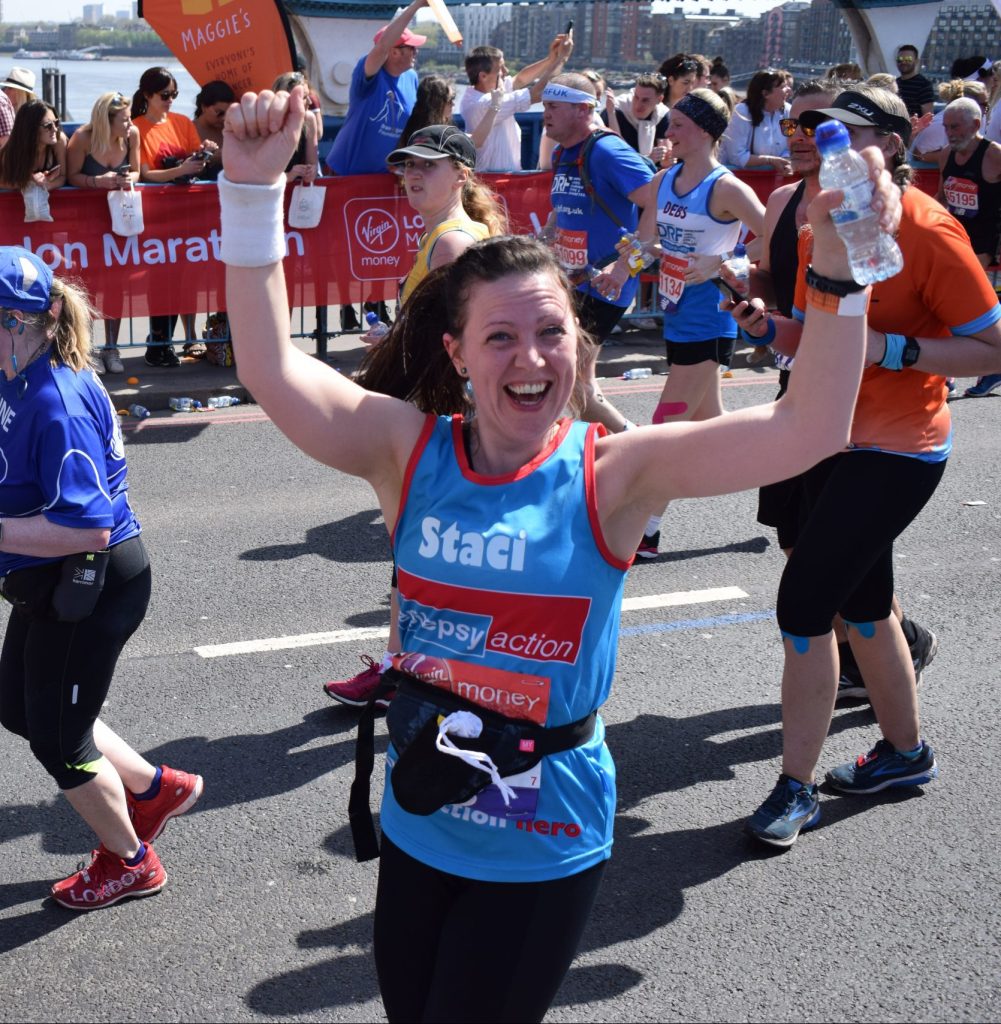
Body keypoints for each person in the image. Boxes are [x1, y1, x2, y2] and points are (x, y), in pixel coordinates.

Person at [217, 81, 896, 1024]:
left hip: (544, 836)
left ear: (578, 349)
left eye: (549, 333)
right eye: (500, 337)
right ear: (456, 353)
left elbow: (811, 425)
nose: (529, 359)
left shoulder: (613, 475)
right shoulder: (405, 452)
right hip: (418, 817)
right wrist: (247, 192)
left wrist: (839, 270)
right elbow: (271, 367)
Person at [741, 85, 1001, 849]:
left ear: (891, 144)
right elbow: (809, 339)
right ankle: (905, 753)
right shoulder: (823, 220)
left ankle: (794, 788)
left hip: (897, 447)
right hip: (823, 435)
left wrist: (889, 350)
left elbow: (991, 346)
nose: (824, 148)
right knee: (864, 607)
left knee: (802, 605)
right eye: (816, 132)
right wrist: (760, 323)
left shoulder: (927, 227)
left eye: (844, 135)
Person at [0, 246, 203, 911]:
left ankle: (130, 862)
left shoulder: (56, 400)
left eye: (10, 318)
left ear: (47, 314)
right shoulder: (18, 371)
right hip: (47, 581)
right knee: (17, 708)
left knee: (60, 742)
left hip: (92, 583)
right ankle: (153, 788)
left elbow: (86, 528)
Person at [324, 125, 507, 707]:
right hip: (447, 415)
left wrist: (389, 368)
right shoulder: (457, 236)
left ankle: (413, 670)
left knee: (420, 547)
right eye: (407, 166)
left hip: (437, 417)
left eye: (427, 165)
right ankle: (409, 666)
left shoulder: (453, 244)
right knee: (426, 549)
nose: (412, 176)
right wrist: (394, 335)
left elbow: (453, 349)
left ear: (462, 174)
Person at [631, 88, 765, 558]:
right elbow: (647, 242)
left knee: (665, 425)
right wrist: (622, 262)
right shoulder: (665, 178)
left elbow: (779, 239)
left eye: (679, 126)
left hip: (712, 318)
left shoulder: (727, 188)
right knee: (715, 426)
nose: (669, 132)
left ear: (705, 132)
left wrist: (728, 262)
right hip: (675, 313)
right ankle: (791, 468)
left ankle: (644, 529)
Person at [542, 72, 653, 434]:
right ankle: (618, 444)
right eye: (544, 105)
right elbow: (565, 205)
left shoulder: (608, 151)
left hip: (604, 284)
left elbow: (658, 205)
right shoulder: (563, 152)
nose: (545, 113)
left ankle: (628, 442)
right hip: (573, 281)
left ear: (583, 109)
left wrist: (623, 268)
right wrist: (545, 236)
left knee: (567, 376)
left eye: (554, 106)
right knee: (576, 380)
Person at [133, 66, 215, 368]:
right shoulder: (137, 127)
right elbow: (145, 173)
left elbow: (197, 164)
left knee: (184, 278)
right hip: (156, 213)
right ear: (148, 95)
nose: (170, 100)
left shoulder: (182, 122)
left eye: (174, 95)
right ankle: (158, 342)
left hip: (187, 212)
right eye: (165, 95)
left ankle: (179, 339)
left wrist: (203, 155)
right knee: (160, 279)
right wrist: (178, 170)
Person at [65, 92, 141, 376]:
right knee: (86, 286)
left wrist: (123, 179)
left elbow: (137, 172)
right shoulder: (83, 139)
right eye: (124, 119)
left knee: (116, 285)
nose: (130, 123)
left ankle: (112, 347)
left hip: (120, 218)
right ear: (106, 121)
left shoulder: (132, 135)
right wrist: (98, 181)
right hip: (86, 222)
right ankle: (88, 348)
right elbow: (71, 176)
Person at [325, 0, 427, 176]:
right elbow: (382, 47)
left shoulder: (411, 78)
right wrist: (416, 5)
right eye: (412, 47)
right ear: (394, 52)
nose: (416, 52)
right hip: (346, 172)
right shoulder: (369, 74)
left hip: (381, 174)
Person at [460, 34, 572, 172]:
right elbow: (537, 93)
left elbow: (519, 80)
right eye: (501, 68)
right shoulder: (486, 103)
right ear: (483, 76)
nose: (506, 72)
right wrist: (562, 58)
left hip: (498, 178)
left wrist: (551, 59)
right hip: (494, 182)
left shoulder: (474, 94)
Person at [719, 68, 792, 172]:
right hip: (740, 179)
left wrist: (785, 160)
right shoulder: (742, 112)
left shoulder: (788, 111)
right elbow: (736, 157)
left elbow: (790, 146)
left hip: (774, 179)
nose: (789, 90)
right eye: (782, 87)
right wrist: (770, 161)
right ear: (766, 94)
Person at [601, 72, 670, 163]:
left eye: (645, 100)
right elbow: (613, 153)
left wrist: (668, 160)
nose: (638, 105)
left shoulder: (663, 115)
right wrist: (648, 159)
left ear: (659, 99)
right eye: (636, 97)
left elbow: (666, 157)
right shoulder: (614, 109)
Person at [0, 99, 67, 192]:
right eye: (48, 126)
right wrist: (29, 182)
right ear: (31, 128)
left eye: (56, 123)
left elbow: (63, 177)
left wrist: (47, 185)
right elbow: (2, 181)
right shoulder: (11, 150)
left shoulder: (59, 141)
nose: (55, 129)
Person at [193, 79, 236, 181]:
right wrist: (209, 159)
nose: (224, 118)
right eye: (219, 113)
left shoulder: (231, 130)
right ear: (204, 107)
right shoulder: (188, 129)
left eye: (228, 113)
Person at [396, 73, 455, 147]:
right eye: (450, 100)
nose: (453, 104)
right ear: (436, 103)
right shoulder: (427, 138)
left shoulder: (411, 129)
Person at [894, 44, 935, 118]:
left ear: (916, 61)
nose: (903, 62)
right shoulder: (894, 83)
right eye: (900, 59)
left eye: (908, 59)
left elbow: (928, 118)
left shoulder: (924, 85)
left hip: (913, 129)